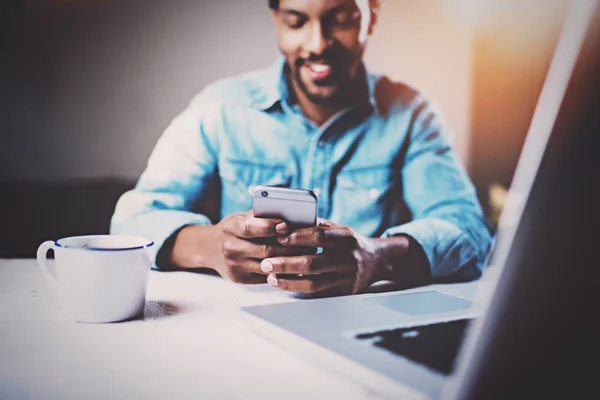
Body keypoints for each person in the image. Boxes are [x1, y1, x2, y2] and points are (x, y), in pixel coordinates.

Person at [110, 0, 492, 295]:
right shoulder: (220, 109)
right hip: (242, 327)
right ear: (275, 18)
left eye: (341, 18)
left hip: (364, 318)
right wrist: (211, 245)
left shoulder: (412, 115)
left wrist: (376, 257)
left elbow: (470, 232)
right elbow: (132, 221)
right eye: (296, 21)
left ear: (371, 15)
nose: (318, 44)